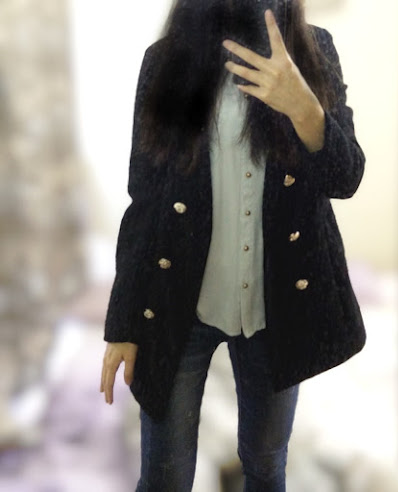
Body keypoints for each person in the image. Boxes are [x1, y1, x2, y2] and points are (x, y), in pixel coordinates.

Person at [100, 1, 366, 490]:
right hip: (180, 300)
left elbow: (345, 177)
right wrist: (124, 323)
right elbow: (145, 199)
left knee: (265, 464)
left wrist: (304, 108)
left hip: (274, 303)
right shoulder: (165, 60)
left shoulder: (315, 49)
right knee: (165, 474)